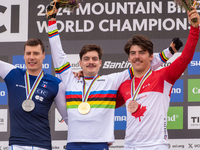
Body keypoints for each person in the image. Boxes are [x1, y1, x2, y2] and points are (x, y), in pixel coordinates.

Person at [46, 5, 182, 149]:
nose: (90, 62)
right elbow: (58, 54)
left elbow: (141, 65)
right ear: (80, 63)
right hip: (73, 143)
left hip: (100, 144)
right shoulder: (70, 79)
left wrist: (168, 53)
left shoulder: (111, 81)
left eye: (94, 58)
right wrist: (51, 21)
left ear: (100, 63)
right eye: (86, 59)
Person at [115, 6, 200, 150]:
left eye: (142, 52)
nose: (137, 56)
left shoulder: (164, 76)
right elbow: (104, 105)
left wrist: (195, 28)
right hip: (130, 146)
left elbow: (185, 58)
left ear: (151, 56)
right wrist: (84, 77)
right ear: (129, 58)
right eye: (133, 53)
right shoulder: (123, 85)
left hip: (156, 145)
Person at [0, 38, 68, 150]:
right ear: (24, 56)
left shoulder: (55, 83)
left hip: (42, 145)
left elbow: (68, 117)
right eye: (28, 53)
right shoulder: (12, 73)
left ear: (43, 55)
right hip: (17, 145)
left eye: (36, 53)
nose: (32, 57)